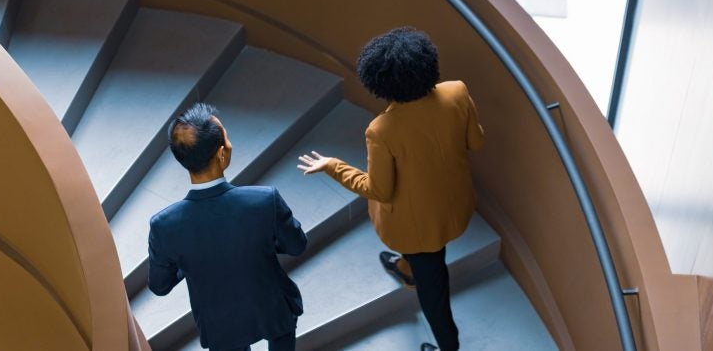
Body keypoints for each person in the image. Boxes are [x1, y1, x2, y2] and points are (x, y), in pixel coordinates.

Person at [298, 27, 484, 351]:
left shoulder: (382, 130)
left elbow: (380, 190)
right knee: (426, 264)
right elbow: (476, 141)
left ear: (381, 85)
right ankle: (408, 269)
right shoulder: (457, 91)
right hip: (455, 204)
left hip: (417, 228)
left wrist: (333, 165)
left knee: (434, 294)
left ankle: (449, 347)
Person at [149, 103, 307, 351]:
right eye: (227, 137)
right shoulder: (264, 200)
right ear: (221, 154)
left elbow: (160, 285)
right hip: (273, 306)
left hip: (220, 324)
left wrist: (188, 260)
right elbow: (297, 245)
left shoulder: (164, 226)